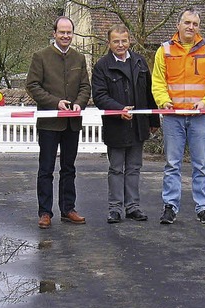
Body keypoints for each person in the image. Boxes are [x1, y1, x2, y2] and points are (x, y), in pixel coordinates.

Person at [152, 7, 205, 225]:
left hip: (199, 116)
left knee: (201, 164)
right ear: (178, 25)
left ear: (198, 27)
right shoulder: (164, 50)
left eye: (195, 23)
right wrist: (164, 102)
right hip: (173, 116)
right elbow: (158, 82)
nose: (191, 27)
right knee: (172, 164)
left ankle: (203, 208)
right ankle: (170, 207)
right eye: (187, 23)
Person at [26, 16, 91, 229]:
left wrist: (79, 104)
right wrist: (56, 103)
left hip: (72, 123)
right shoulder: (41, 56)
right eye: (62, 32)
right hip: (49, 123)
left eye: (69, 32)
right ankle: (45, 212)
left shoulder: (79, 58)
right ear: (54, 33)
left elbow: (85, 87)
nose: (65, 36)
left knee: (69, 168)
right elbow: (33, 86)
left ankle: (68, 209)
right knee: (46, 169)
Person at [92, 24, 161, 224]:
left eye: (124, 41)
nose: (120, 45)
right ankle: (115, 209)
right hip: (116, 127)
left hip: (138, 125)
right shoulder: (101, 66)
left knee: (134, 168)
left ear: (129, 40)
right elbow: (99, 96)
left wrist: (153, 119)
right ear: (109, 43)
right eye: (116, 41)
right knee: (116, 169)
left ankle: (133, 207)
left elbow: (149, 92)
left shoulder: (140, 62)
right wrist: (119, 109)